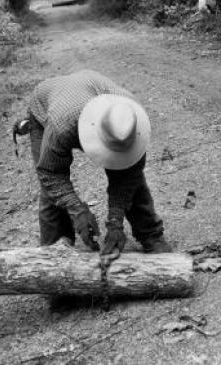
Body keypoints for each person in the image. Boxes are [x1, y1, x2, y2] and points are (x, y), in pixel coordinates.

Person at [13, 69, 170, 257]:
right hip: (47, 105)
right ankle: (54, 248)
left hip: (86, 91)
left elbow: (129, 177)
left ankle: (151, 235)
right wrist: (77, 211)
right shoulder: (62, 126)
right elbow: (50, 173)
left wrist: (115, 222)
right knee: (51, 189)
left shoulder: (132, 121)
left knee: (130, 175)